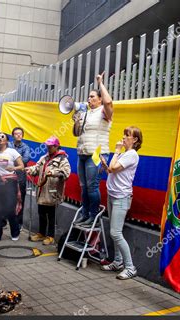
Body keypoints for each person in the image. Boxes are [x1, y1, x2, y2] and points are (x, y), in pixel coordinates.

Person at [100, 126, 142, 280]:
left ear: (135, 139)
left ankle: (130, 267)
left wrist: (116, 151)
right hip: (113, 195)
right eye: (124, 134)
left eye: (127, 135)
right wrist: (106, 166)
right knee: (114, 231)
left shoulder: (131, 154)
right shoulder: (126, 154)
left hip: (121, 198)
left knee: (115, 233)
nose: (123, 138)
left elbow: (114, 167)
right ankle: (118, 262)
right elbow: (111, 170)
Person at [73, 72, 113, 227]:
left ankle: (94, 216)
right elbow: (76, 133)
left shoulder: (104, 111)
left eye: (92, 97)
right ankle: (85, 214)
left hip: (96, 154)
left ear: (100, 99)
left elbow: (109, 102)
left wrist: (100, 83)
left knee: (92, 186)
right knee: (83, 186)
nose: (89, 100)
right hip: (82, 153)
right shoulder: (86, 113)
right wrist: (76, 121)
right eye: (88, 97)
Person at [26, 136, 71, 245]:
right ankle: (41, 233)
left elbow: (66, 173)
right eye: (47, 146)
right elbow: (36, 168)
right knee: (41, 213)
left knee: (51, 215)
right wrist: (30, 169)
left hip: (52, 192)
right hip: (42, 191)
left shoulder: (62, 159)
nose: (48, 148)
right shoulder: (44, 158)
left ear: (56, 146)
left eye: (50, 146)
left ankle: (50, 236)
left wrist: (54, 173)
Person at [0, 132, 24, 242]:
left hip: (9, 183)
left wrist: (14, 168)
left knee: (10, 209)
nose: (0, 138)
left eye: (2, 137)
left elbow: (22, 166)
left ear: (7, 140)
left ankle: (15, 232)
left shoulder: (12, 152)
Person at [8, 127, 30, 228]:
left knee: (20, 199)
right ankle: (8, 221)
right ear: (13, 136)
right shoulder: (8, 145)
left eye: (20, 134)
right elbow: (5, 157)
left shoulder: (26, 147)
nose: (18, 135)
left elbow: (25, 160)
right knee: (8, 198)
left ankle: (19, 223)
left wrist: (13, 159)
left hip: (20, 176)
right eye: (16, 134)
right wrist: (17, 159)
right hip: (8, 175)